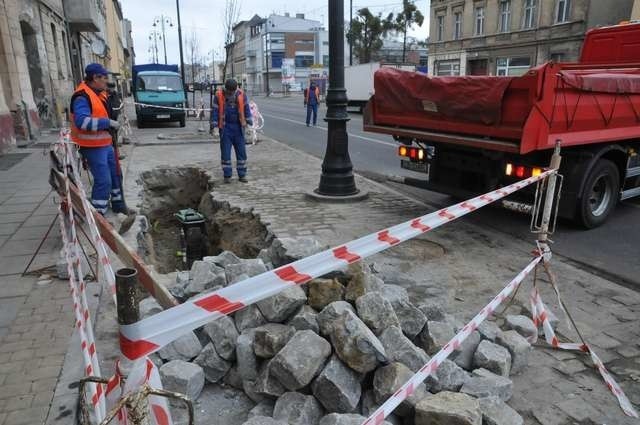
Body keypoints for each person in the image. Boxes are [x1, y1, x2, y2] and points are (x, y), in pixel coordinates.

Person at [70, 63, 128, 216]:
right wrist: (107, 123)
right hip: (92, 146)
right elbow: (82, 121)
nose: (106, 81)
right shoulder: (82, 96)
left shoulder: (98, 93)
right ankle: (98, 215)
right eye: (103, 78)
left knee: (116, 175)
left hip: (106, 143)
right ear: (95, 78)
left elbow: (108, 110)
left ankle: (118, 205)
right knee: (104, 181)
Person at [211, 79, 252, 183]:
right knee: (225, 153)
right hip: (225, 128)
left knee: (241, 152)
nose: (231, 94)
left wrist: (249, 125)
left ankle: (242, 175)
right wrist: (214, 126)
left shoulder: (242, 95)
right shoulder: (218, 95)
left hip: (238, 127)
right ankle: (227, 176)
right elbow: (215, 111)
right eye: (229, 92)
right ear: (226, 89)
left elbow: (246, 109)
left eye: (232, 92)